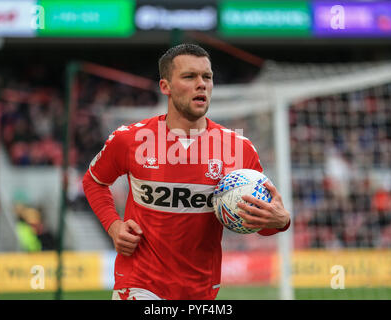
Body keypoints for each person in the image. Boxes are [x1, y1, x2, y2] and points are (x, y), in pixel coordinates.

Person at [82, 43, 291, 300]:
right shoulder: (130, 139)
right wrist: (114, 226)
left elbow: (260, 224)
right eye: (189, 77)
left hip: (201, 290)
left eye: (207, 77)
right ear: (165, 87)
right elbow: (94, 181)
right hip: (139, 283)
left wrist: (280, 222)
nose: (201, 84)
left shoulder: (239, 148)